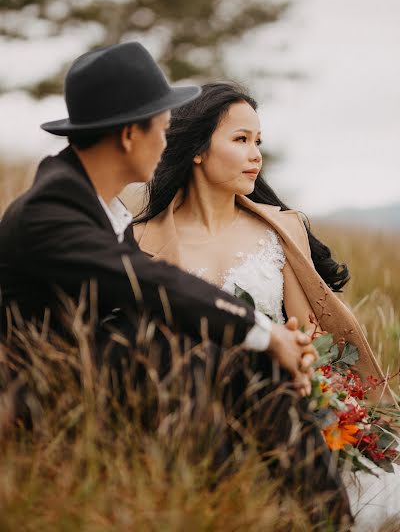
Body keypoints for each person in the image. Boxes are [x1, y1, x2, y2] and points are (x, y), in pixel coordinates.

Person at [0, 44, 350, 527]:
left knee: (230, 358)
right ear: (128, 135)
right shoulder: (51, 211)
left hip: (105, 382)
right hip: (39, 405)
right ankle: (249, 509)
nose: (168, 145)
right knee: (224, 355)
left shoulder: (95, 206)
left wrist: (262, 342)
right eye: (162, 131)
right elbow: (147, 283)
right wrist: (265, 333)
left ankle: (319, 518)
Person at [128, 81, 399, 530]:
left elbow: (308, 336)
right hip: (196, 420)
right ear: (197, 149)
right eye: (240, 140)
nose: (256, 154)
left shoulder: (280, 231)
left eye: (258, 142)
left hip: (287, 412)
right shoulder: (142, 242)